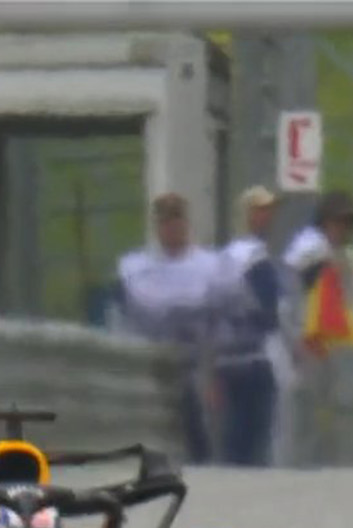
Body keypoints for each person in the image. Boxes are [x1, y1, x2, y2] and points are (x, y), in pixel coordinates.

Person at [114, 193, 224, 465]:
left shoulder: (210, 265)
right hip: (151, 360)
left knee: (196, 423)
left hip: (196, 360)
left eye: (177, 220)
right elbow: (133, 310)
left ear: (186, 223)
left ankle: (204, 461)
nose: (172, 227)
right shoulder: (135, 267)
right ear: (157, 226)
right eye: (166, 221)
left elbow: (217, 317)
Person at [283, 189, 353, 466]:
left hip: (331, 344)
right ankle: (303, 464)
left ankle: (330, 464)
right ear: (324, 222)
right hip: (308, 342)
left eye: (346, 223)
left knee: (333, 410)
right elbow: (301, 299)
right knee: (309, 409)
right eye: (336, 222)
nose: (341, 229)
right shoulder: (311, 250)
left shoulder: (340, 254)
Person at [210, 185, 290, 465]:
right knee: (257, 437)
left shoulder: (224, 257)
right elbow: (271, 309)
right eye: (261, 211)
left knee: (235, 435)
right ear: (247, 216)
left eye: (270, 211)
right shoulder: (255, 257)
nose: (269, 217)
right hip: (256, 357)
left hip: (227, 358)